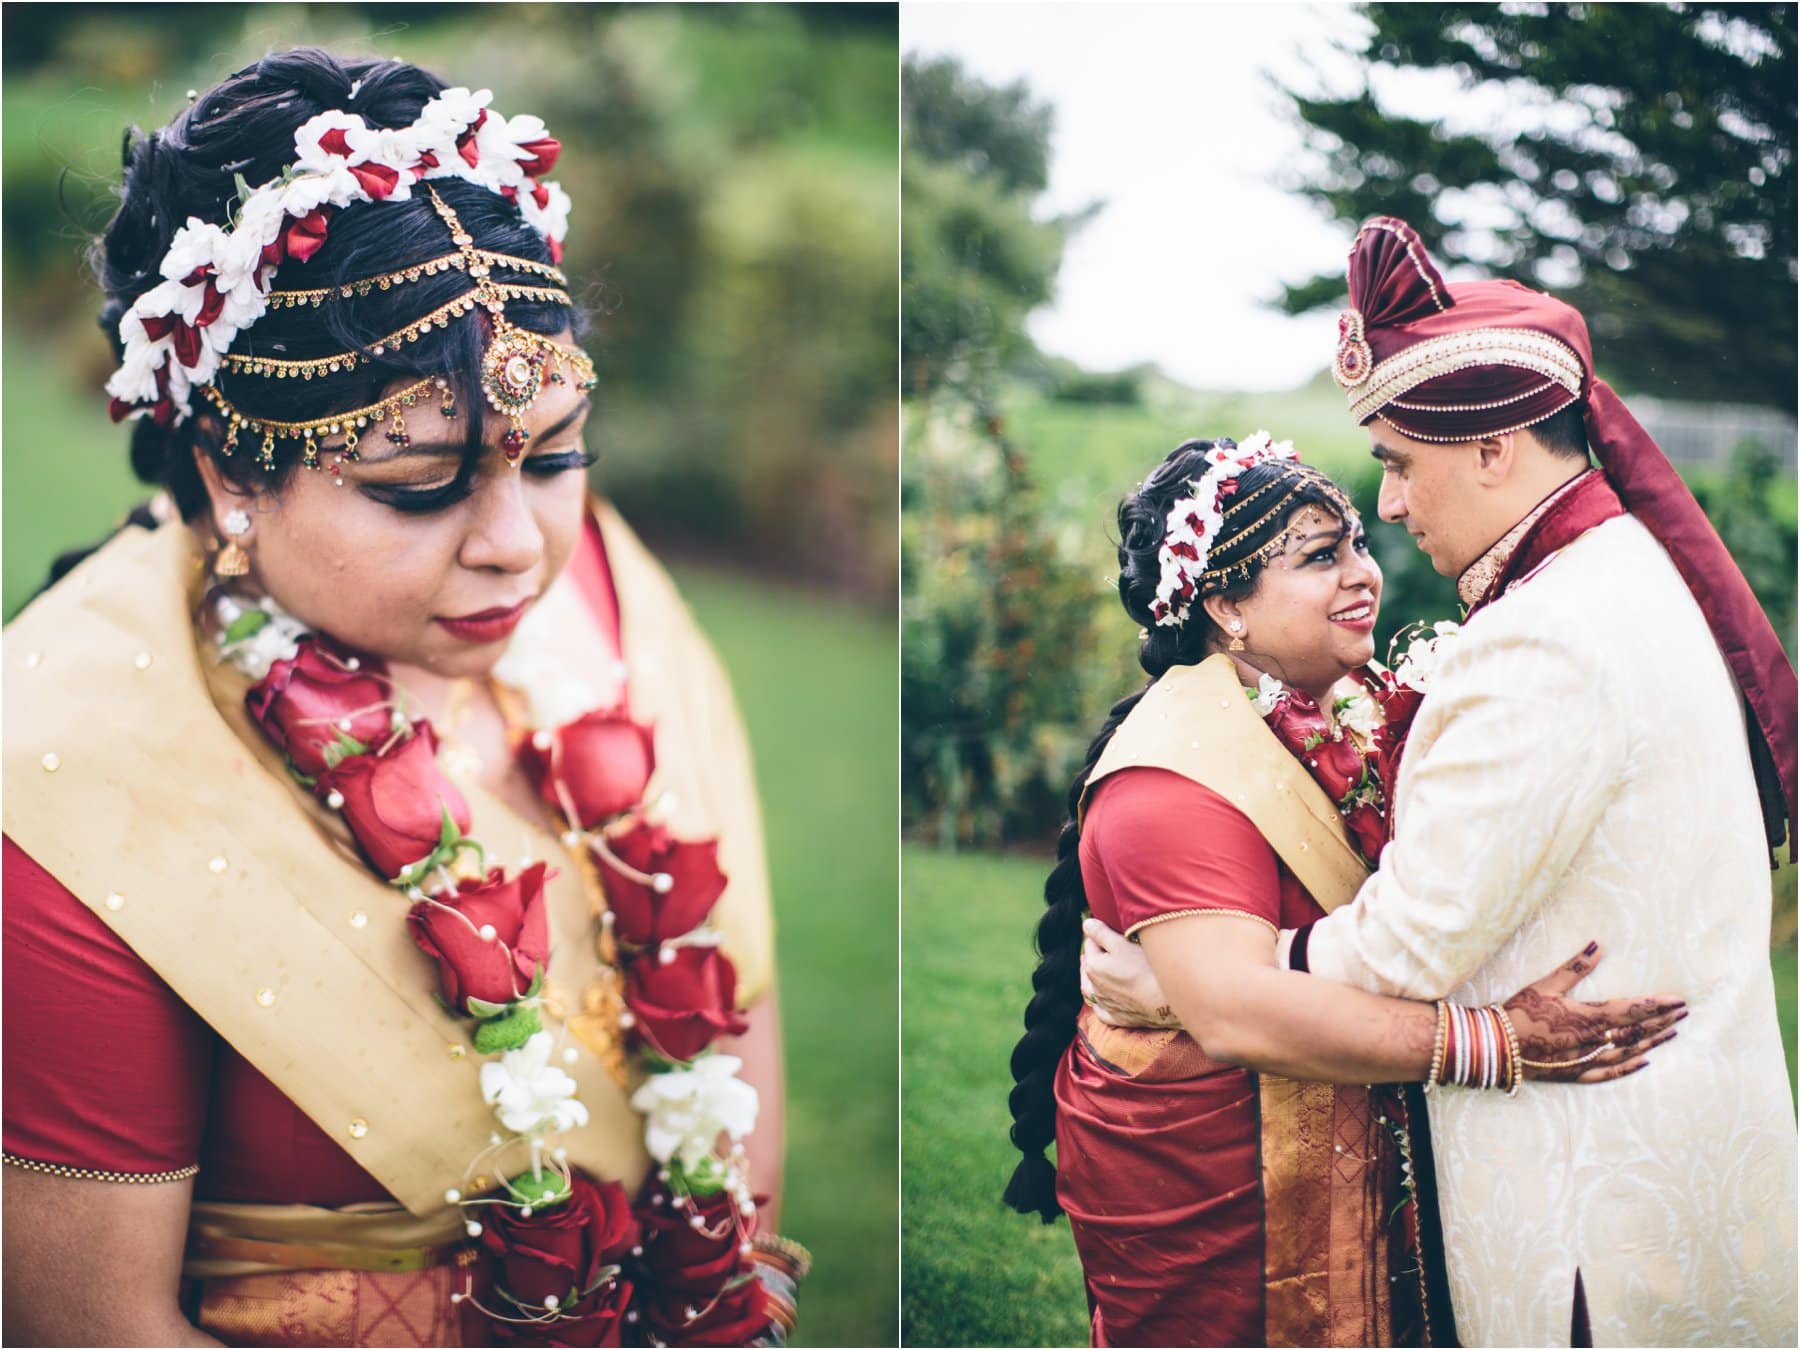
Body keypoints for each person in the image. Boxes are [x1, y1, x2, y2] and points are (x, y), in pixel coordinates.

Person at [2, 49, 806, 1348]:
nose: (518, 546)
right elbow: (89, 1325)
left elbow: (733, 1005)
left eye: (556, 454)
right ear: (226, 474)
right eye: (418, 481)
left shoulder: (598, 583)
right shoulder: (66, 774)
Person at [1084, 218, 1799, 1346]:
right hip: (1678, 1152)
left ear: (1494, 450)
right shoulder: (1626, 575)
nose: (1396, 513)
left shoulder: (1540, 640)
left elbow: (1410, 947)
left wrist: (1195, 981)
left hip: (1593, 1220)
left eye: (1400, 466)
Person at [1001, 433, 1685, 1347]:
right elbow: (1237, 1016)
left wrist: (1187, 989)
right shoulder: (1170, 783)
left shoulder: (1355, 709)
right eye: (1321, 556)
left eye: (1356, 542)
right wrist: (1497, 1043)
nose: (1364, 572)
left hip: (1342, 1120)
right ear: (1224, 606)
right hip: (1210, 1168)